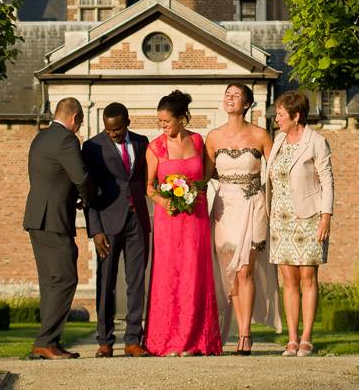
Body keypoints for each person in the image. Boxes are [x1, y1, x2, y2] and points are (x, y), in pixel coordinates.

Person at [144, 90, 221, 356]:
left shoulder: (198, 141)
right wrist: (163, 201)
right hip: (168, 222)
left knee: (194, 275)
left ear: (181, 118)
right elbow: (149, 187)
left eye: (166, 121)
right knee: (169, 277)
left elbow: (207, 177)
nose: (162, 126)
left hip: (196, 220)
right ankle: (167, 340)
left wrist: (195, 191)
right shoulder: (155, 147)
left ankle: (195, 340)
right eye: (160, 121)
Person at [206, 83, 281, 354]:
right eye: (227, 94)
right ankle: (239, 329)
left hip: (253, 206)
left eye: (236, 95)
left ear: (247, 104)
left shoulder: (261, 135)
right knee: (231, 274)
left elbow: (276, 173)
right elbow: (206, 175)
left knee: (245, 270)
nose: (230, 98)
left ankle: (245, 335)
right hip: (225, 208)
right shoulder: (213, 137)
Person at [266, 90, 334, 357]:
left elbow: (327, 181)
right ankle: (292, 338)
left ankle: (307, 338)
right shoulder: (278, 140)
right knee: (288, 279)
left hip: (309, 217)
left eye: (281, 115)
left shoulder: (316, 142)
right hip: (280, 219)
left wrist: (326, 217)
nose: (277, 119)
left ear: (296, 116)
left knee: (307, 277)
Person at [81, 102, 152, 358]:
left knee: (136, 282)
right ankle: (105, 341)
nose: (113, 134)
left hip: (137, 222)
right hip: (107, 225)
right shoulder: (92, 147)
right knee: (106, 282)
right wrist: (95, 230)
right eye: (108, 130)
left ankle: (133, 340)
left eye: (117, 130)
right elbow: (88, 192)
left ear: (127, 123)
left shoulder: (142, 143)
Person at [23, 97, 90, 360]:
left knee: (50, 282)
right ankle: (45, 341)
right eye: (79, 123)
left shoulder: (40, 138)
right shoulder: (66, 139)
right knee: (65, 278)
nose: (78, 128)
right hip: (54, 219)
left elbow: (52, 177)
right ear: (75, 118)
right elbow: (80, 176)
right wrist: (89, 198)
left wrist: (72, 197)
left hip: (36, 218)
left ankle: (51, 341)